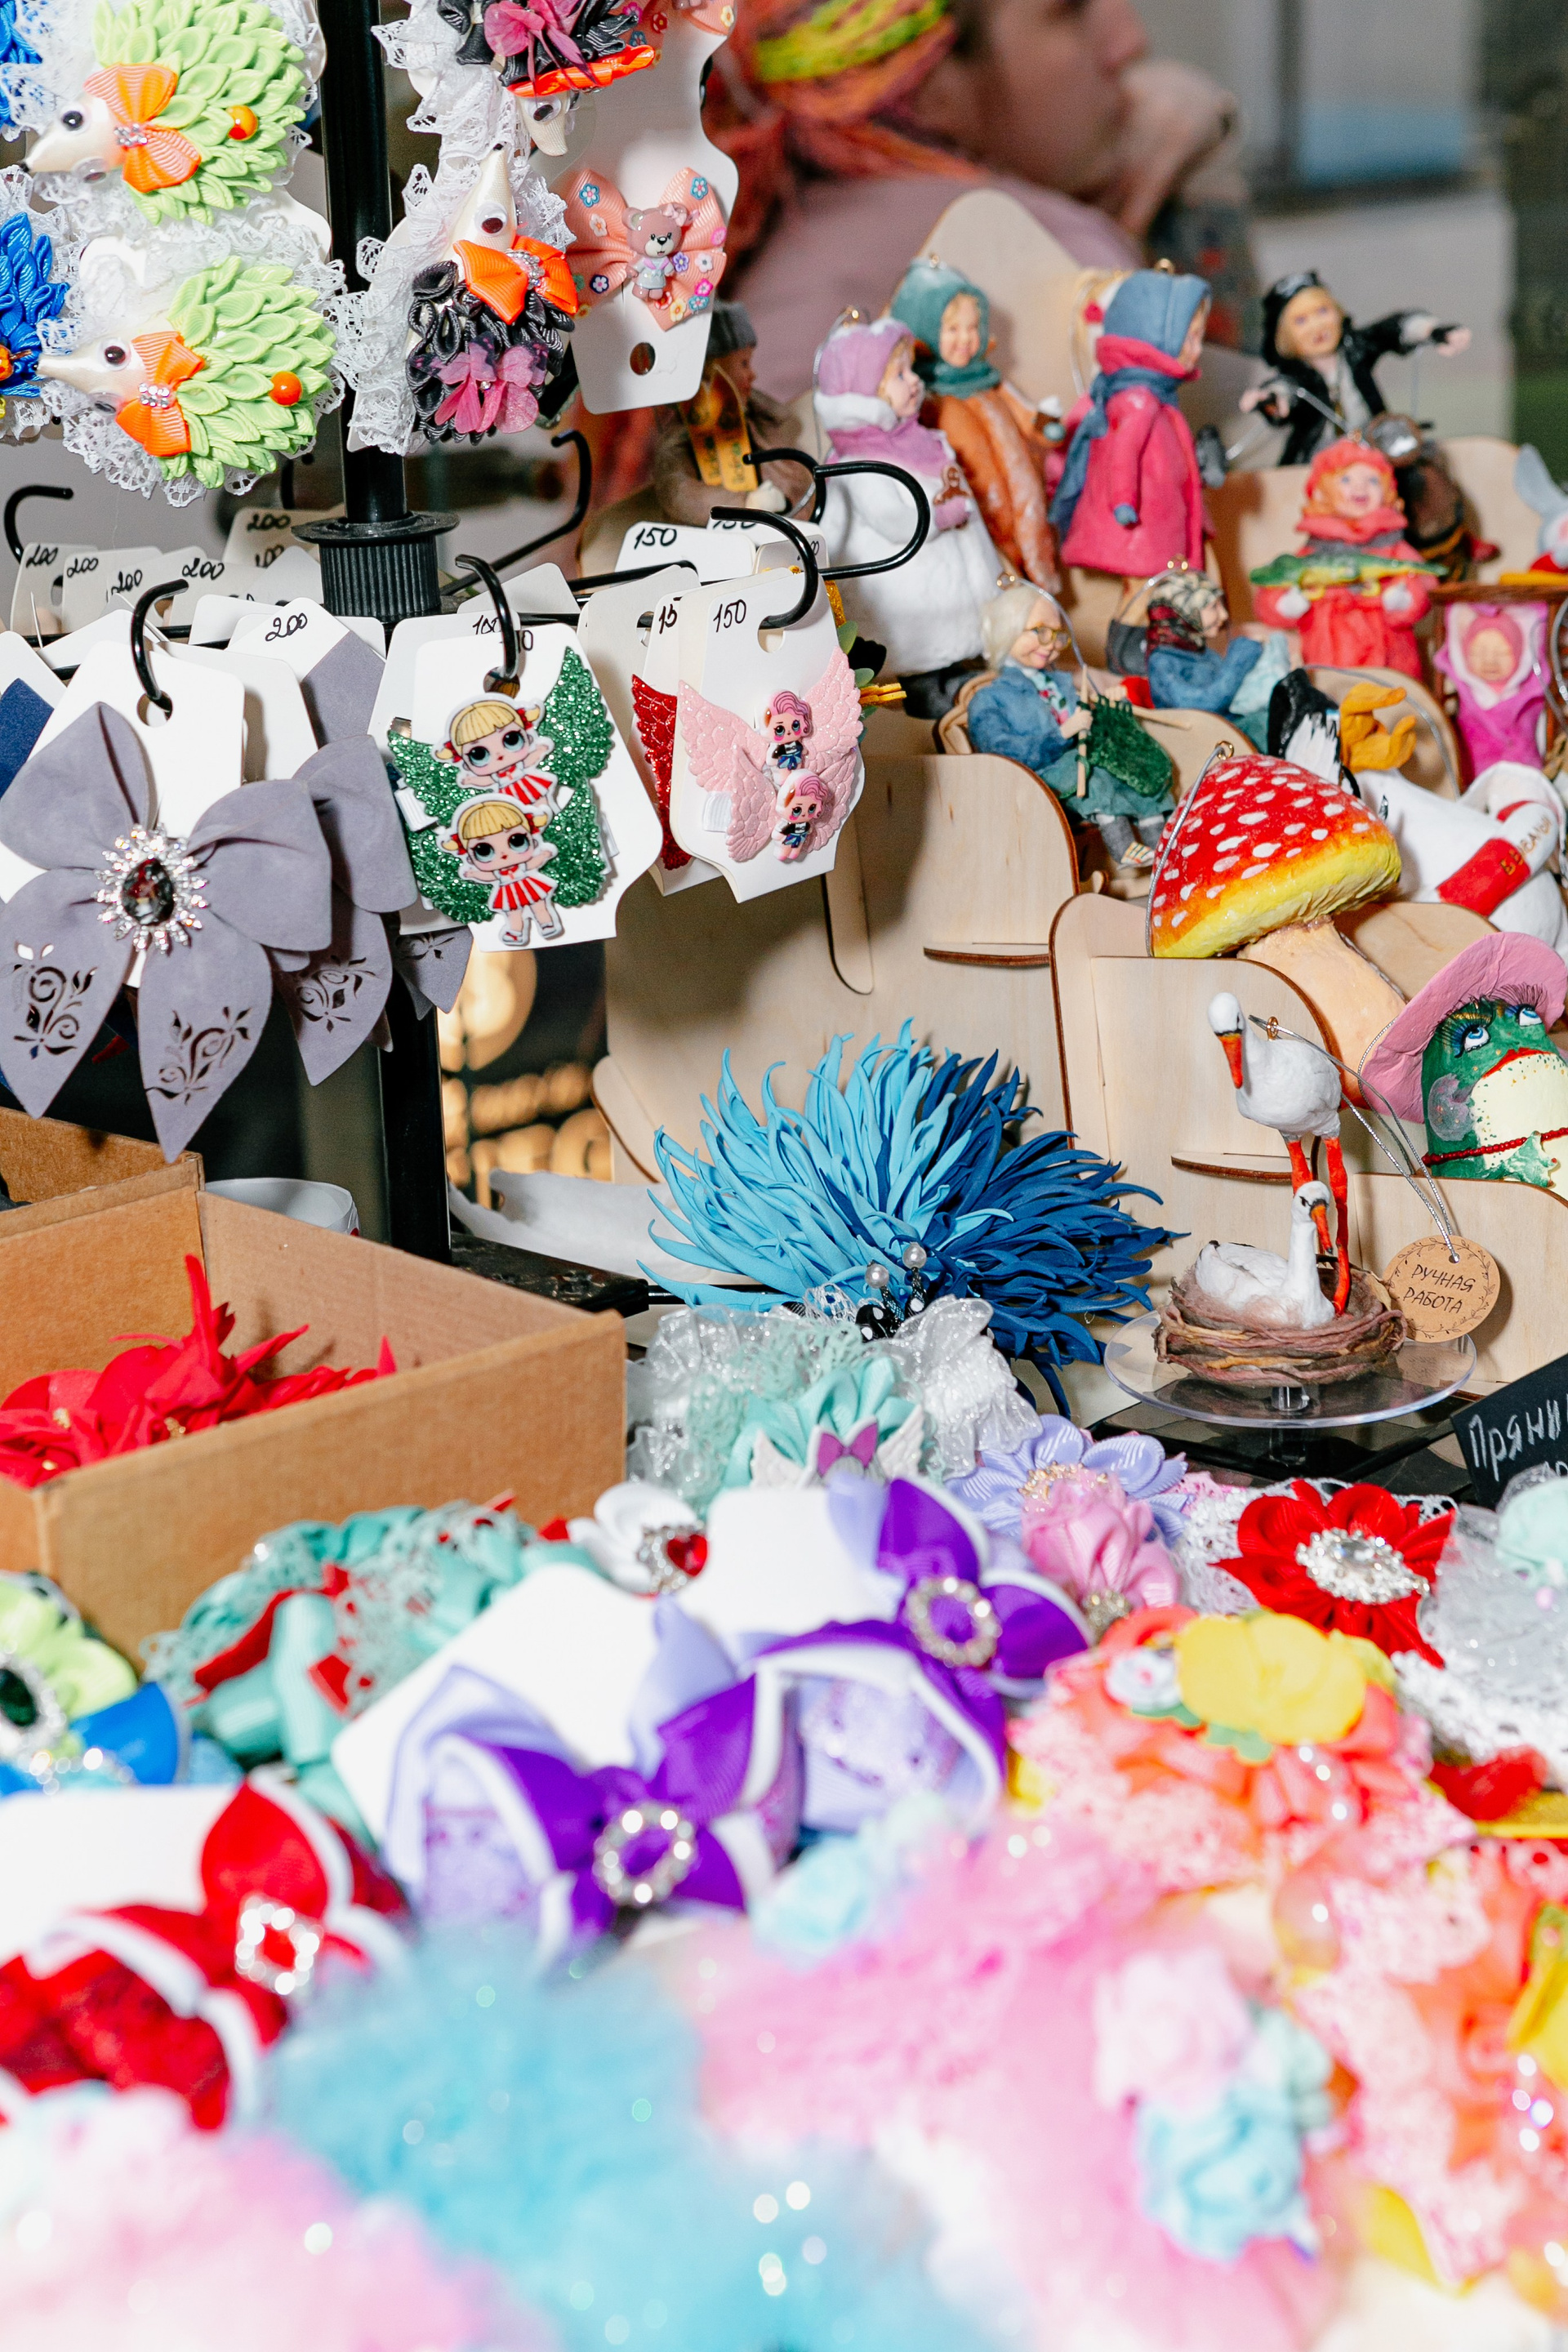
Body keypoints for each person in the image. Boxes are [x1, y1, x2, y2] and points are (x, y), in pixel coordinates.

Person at [710, 0, 1241, 398]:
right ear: (933, 90)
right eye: (1069, 9)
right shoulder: (1054, 246)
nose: (1130, 42)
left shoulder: (758, 239)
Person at [813, 310, 1002, 713]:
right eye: (900, 375)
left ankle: (957, 674)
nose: (915, 380)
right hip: (912, 604)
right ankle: (926, 689)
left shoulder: (921, 442)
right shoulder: (860, 463)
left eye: (911, 370)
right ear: (864, 395)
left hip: (953, 593)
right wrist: (942, 514)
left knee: (960, 653)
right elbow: (897, 521)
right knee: (926, 656)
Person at [889, 257, 1059, 589]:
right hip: (979, 513)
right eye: (952, 329)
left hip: (1023, 502)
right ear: (922, 329)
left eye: (973, 327)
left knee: (1033, 564)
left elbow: (1025, 414)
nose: (966, 339)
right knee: (998, 577)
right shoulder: (927, 400)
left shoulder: (989, 382)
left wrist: (1043, 425)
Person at [1050, 266, 1209, 581]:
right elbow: (1123, 454)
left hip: (1159, 516)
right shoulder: (1140, 400)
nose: (1198, 349)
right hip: (1144, 525)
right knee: (1145, 589)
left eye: (1199, 339)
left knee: (1155, 589)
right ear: (1156, 337)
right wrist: (1123, 501)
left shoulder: (1158, 396)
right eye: (1189, 339)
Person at [1240, 270, 1471, 467]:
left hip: (1374, 443)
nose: (1317, 326)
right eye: (1301, 321)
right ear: (1284, 335)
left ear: (1337, 312)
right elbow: (1284, 390)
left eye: (1322, 312)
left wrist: (1432, 331)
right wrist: (1271, 400)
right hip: (1320, 457)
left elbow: (1393, 329)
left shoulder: (1356, 349)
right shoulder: (1295, 374)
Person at [1249, 436, 1434, 682]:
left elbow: (1425, 582)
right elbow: (1273, 589)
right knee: (1331, 703)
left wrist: (1406, 601)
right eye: (1346, 479)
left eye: (1372, 480)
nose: (1360, 488)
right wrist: (1285, 604)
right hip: (1327, 666)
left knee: (1392, 703)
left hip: (1391, 664)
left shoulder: (1393, 547)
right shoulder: (1314, 552)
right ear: (1323, 492)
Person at [650, 298, 814, 525]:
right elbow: (680, 493)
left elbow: (787, 437)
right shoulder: (679, 441)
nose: (753, 375)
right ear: (709, 371)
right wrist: (744, 504)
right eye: (744, 364)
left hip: (782, 516)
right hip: (723, 529)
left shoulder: (758, 416)